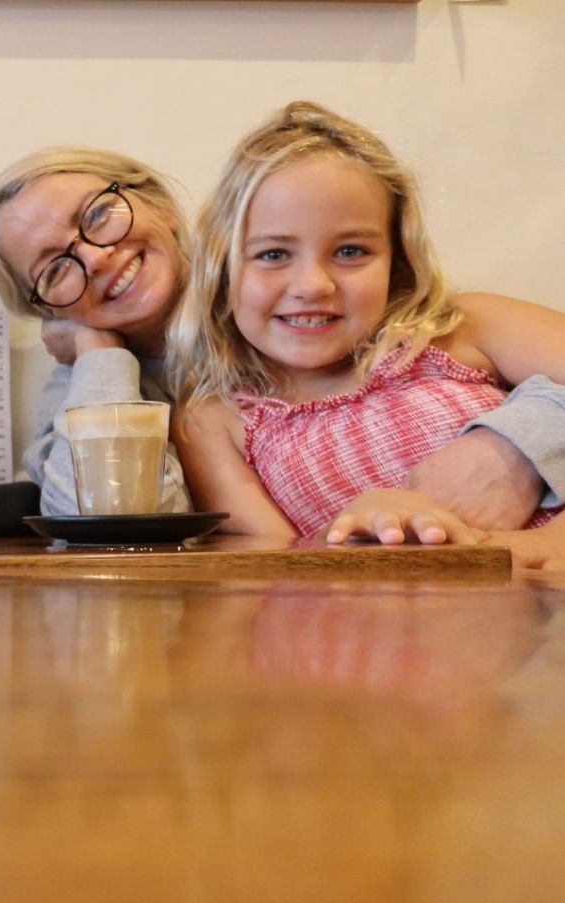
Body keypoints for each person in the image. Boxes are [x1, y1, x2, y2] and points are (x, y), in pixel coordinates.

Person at [0, 144, 565, 531]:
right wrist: (97, 356)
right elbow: (105, 526)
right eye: (53, 268)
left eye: (97, 215)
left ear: (161, 207)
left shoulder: (329, 314)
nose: (96, 256)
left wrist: (512, 446)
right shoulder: (164, 408)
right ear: (44, 310)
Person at [168, 100, 565, 565]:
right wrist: (361, 526)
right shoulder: (215, 420)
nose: (313, 285)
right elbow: (273, 574)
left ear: (397, 257)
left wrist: (539, 525)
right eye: (273, 255)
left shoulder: (463, 328)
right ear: (222, 268)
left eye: (351, 251)